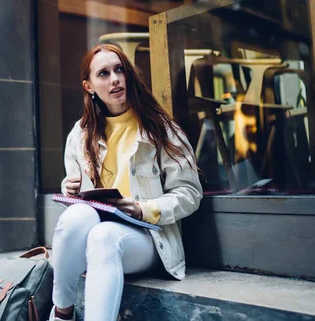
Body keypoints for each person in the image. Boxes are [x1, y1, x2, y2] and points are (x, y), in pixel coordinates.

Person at [48, 44, 203, 321]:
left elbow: (190, 193)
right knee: (77, 217)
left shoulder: (161, 129)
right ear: (89, 86)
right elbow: (77, 193)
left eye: (120, 70)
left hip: (148, 238)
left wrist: (145, 209)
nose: (115, 79)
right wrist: (69, 188)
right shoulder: (81, 134)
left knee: (104, 235)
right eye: (104, 74)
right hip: (96, 235)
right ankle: (62, 313)